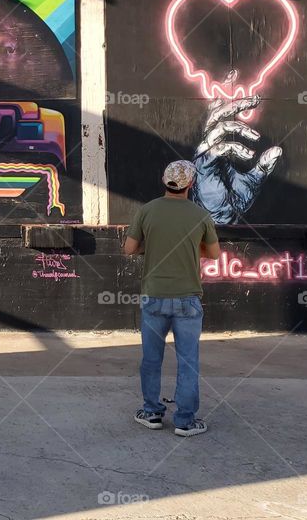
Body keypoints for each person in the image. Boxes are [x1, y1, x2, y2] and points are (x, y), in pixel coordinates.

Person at [122, 160, 221, 437]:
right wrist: (190, 248)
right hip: (188, 298)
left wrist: (152, 246)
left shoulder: (147, 210)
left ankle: (152, 413)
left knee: (151, 359)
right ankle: (185, 422)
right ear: (191, 184)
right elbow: (214, 254)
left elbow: (129, 248)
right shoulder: (201, 215)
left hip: (154, 297)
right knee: (188, 361)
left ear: (164, 181)